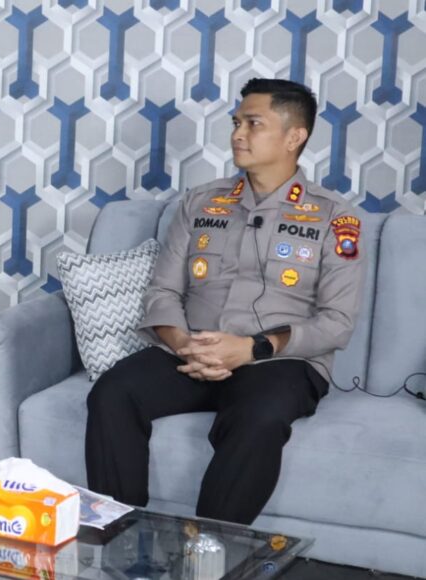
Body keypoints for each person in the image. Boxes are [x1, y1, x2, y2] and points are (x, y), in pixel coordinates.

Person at [84, 78, 366, 525]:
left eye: (254, 124)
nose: (238, 134)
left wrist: (251, 348)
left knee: (260, 417)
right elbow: (163, 291)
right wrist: (184, 345)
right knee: (113, 391)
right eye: (236, 123)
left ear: (294, 136)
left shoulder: (336, 217)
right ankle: (119, 534)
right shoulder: (201, 202)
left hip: (279, 362)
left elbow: (337, 322)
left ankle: (208, 549)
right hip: (194, 350)